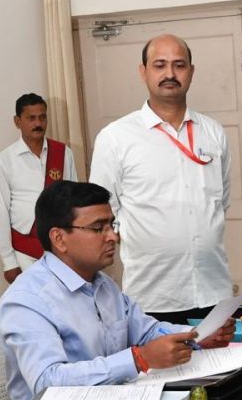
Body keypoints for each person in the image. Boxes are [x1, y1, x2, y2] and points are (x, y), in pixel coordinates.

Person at [0, 181, 234, 400]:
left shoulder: (103, 284)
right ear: (59, 238)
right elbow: (47, 382)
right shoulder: (26, 301)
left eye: (112, 224)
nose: (113, 236)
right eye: (98, 228)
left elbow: (147, 331)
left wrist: (193, 336)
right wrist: (139, 359)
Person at [90, 34, 232, 324]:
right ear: (143, 72)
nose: (170, 74)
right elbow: (102, 210)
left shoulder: (213, 132)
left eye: (179, 65)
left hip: (214, 292)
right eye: (160, 65)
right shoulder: (116, 137)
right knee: (164, 371)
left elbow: (222, 201)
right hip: (153, 298)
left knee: (226, 369)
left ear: (191, 71)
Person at [0, 93, 78, 283]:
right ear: (17, 121)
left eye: (42, 117)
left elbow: (74, 201)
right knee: (34, 303)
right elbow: (0, 212)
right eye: (31, 118)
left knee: (65, 300)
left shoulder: (63, 153)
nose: (38, 123)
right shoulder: (5, 160)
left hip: (59, 244)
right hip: (24, 248)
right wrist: (8, 262)